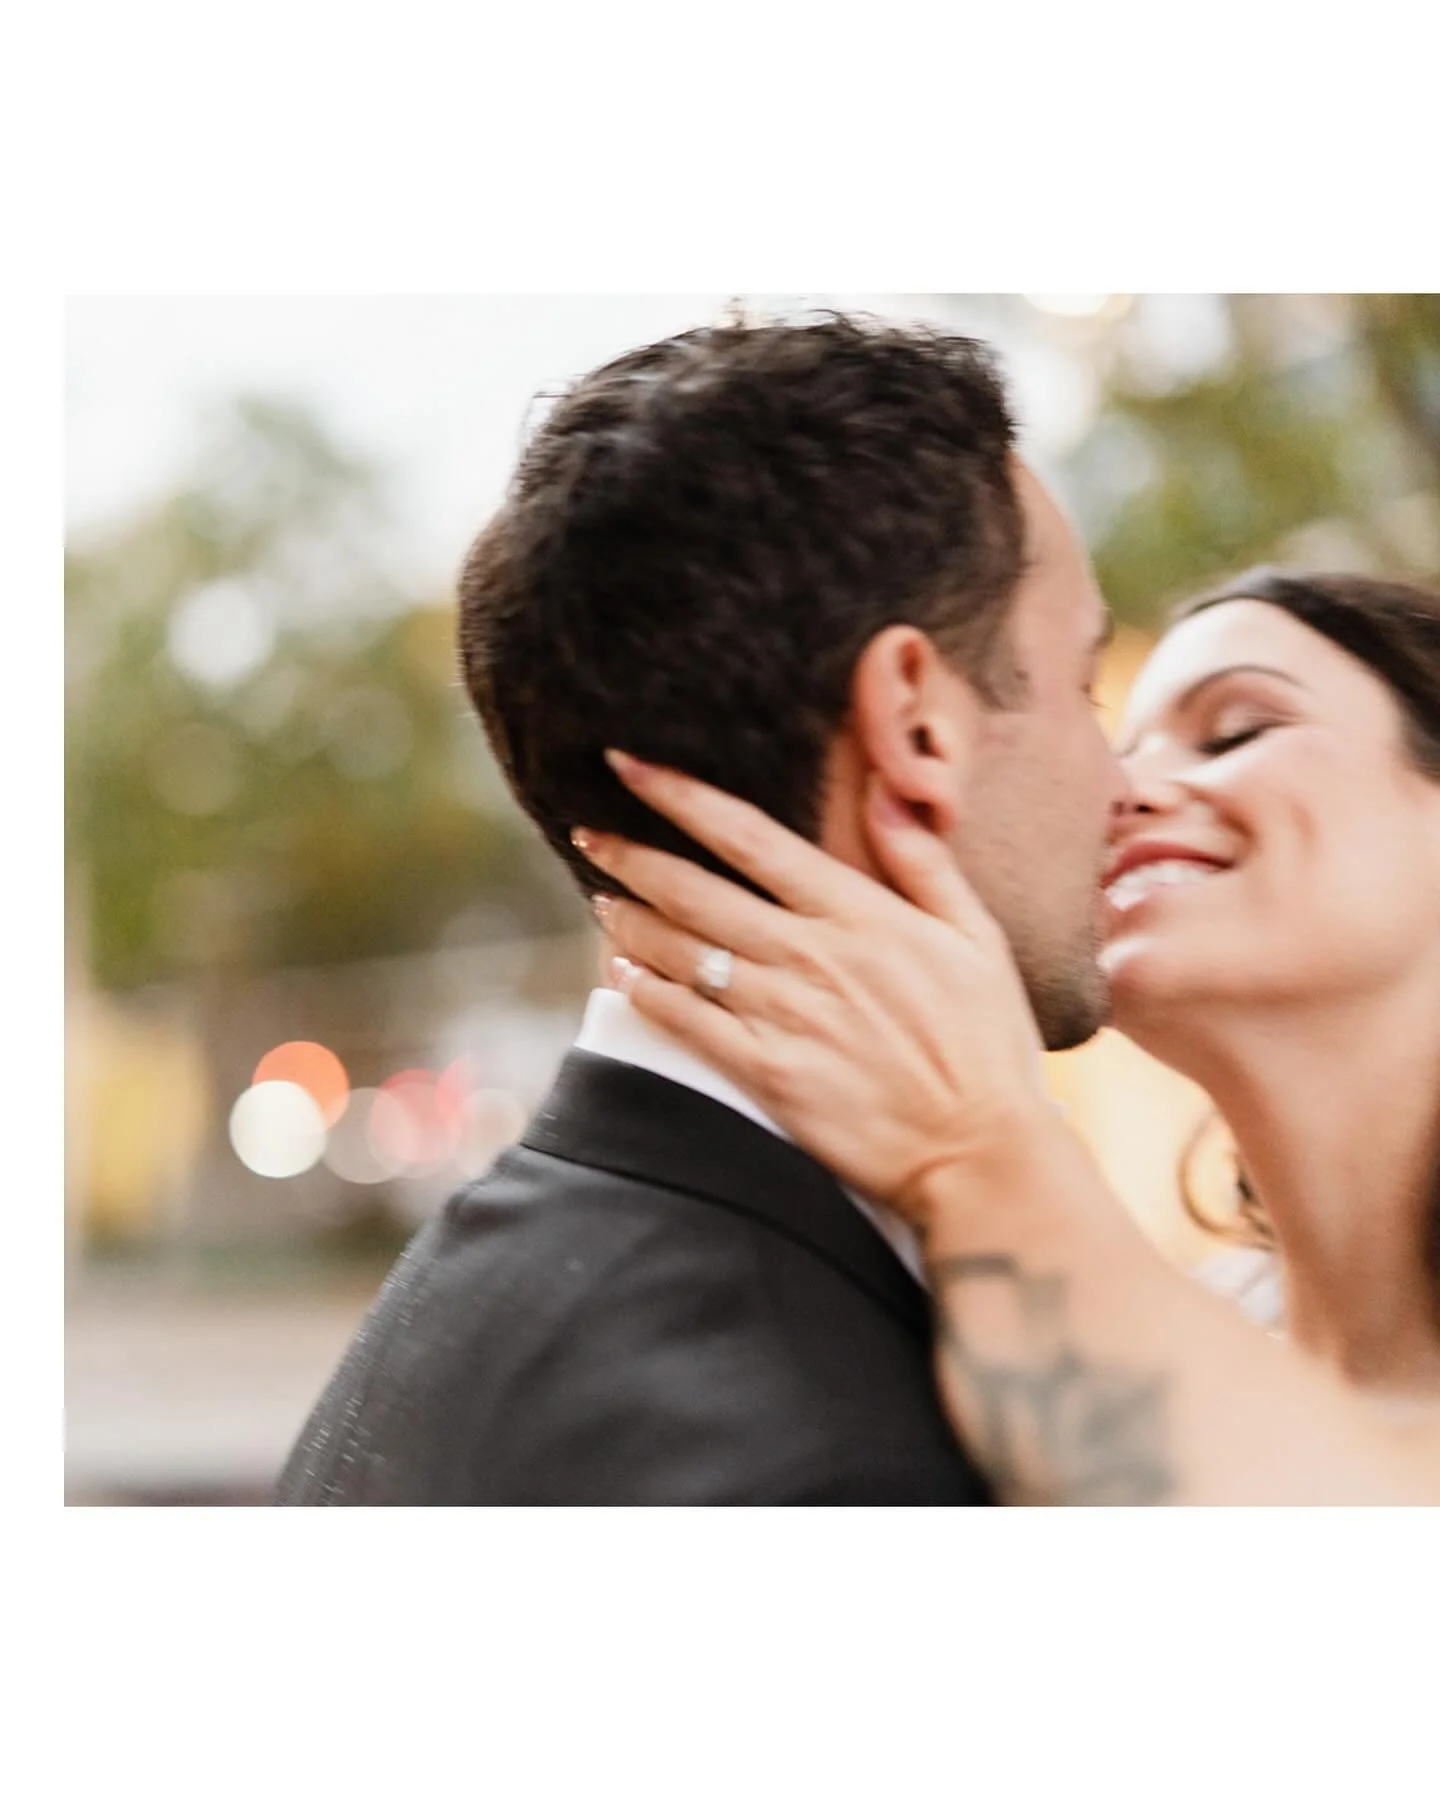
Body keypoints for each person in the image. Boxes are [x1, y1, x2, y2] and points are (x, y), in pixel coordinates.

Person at [274, 313, 1127, 1504]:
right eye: (1086, 686)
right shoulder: (833, 1462)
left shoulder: (465, 1296)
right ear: (917, 727)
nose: (1125, 781)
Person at [584, 569, 1440, 1504]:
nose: (1120, 792)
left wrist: (974, 1146)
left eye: (1237, 731)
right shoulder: (1182, 1326)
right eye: (1115, 748)